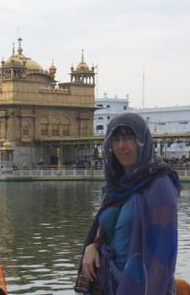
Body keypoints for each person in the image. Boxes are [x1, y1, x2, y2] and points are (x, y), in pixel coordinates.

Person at [75, 112, 181, 295]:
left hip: (141, 287)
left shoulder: (159, 185)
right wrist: (92, 247)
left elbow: (162, 256)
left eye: (129, 138)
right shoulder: (114, 186)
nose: (121, 146)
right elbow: (107, 234)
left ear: (143, 141)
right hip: (107, 283)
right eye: (115, 139)